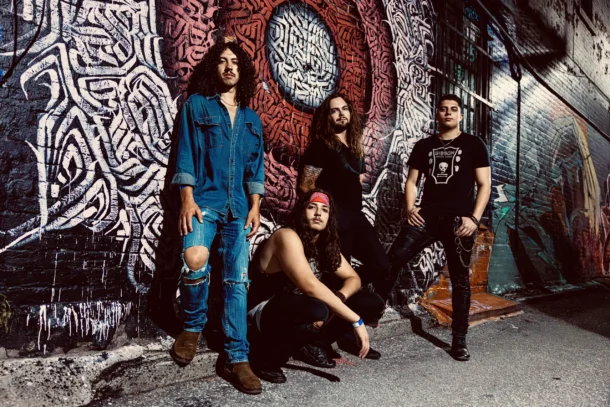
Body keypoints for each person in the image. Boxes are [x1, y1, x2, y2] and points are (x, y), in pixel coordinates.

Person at [169, 39, 265, 394]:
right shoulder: (197, 105)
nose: (229, 67)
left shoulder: (252, 119)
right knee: (195, 258)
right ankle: (192, 325)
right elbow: (185, 153)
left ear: (243, 71)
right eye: (223, 61)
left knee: (237, 281)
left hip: (238, 209)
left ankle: (237, 357)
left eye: (235, 62)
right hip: (203, 202)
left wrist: (255, 206)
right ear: (214, 67)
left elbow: (255, 168)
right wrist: (186, 199)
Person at [387, 94, 491, 361]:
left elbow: (485, 184)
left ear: (460, 115)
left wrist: (474, 219)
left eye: (453, 109)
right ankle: (369, 314)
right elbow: (412, 181)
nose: (448, 113)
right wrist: (410, 208)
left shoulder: (474, 144)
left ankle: (459, 340)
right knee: (392, 259)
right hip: (427, 216)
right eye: (443, 109)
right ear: (437, 114)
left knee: (460, 279)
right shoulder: (424, 146)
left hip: (459, 221)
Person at [247, 190, 385, 383]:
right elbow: (309, 285)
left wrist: (340, 297)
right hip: (263, 313)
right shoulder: (286, 236)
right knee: (317, 308)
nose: (318, 213)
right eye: (312, 207)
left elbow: (353, 278)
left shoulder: (323, 245)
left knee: (371, 302)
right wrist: (356, 321)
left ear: (330, 217)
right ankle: (265, 358)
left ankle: (313, 344)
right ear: (301, 212)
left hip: (300, 310)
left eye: (324, 210)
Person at [298, 94, 391, 360]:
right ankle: (324, 340)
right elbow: (305, 186)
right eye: (334, 111)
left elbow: (355, 182)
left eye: (344, 109)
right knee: (337, 279)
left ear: (351, 113)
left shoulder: (354, 147)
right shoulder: (321, 147)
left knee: (381, 267)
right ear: (327, 117)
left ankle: (343, 327)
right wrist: (321, 221)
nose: (341, 114)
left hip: (356, 217)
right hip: (335, 220)